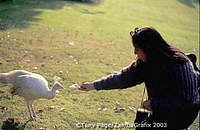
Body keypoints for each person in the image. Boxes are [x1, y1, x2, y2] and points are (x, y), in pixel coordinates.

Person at [78, 26, 200, 129]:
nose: (135, 53)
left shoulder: (179, 64)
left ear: (149, 48)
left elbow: (185, 101)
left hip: (182, 116)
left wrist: (154, 104)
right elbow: (123, 77)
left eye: (137, 49)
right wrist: (93, 85)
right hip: (162, 112)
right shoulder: (146, 62)